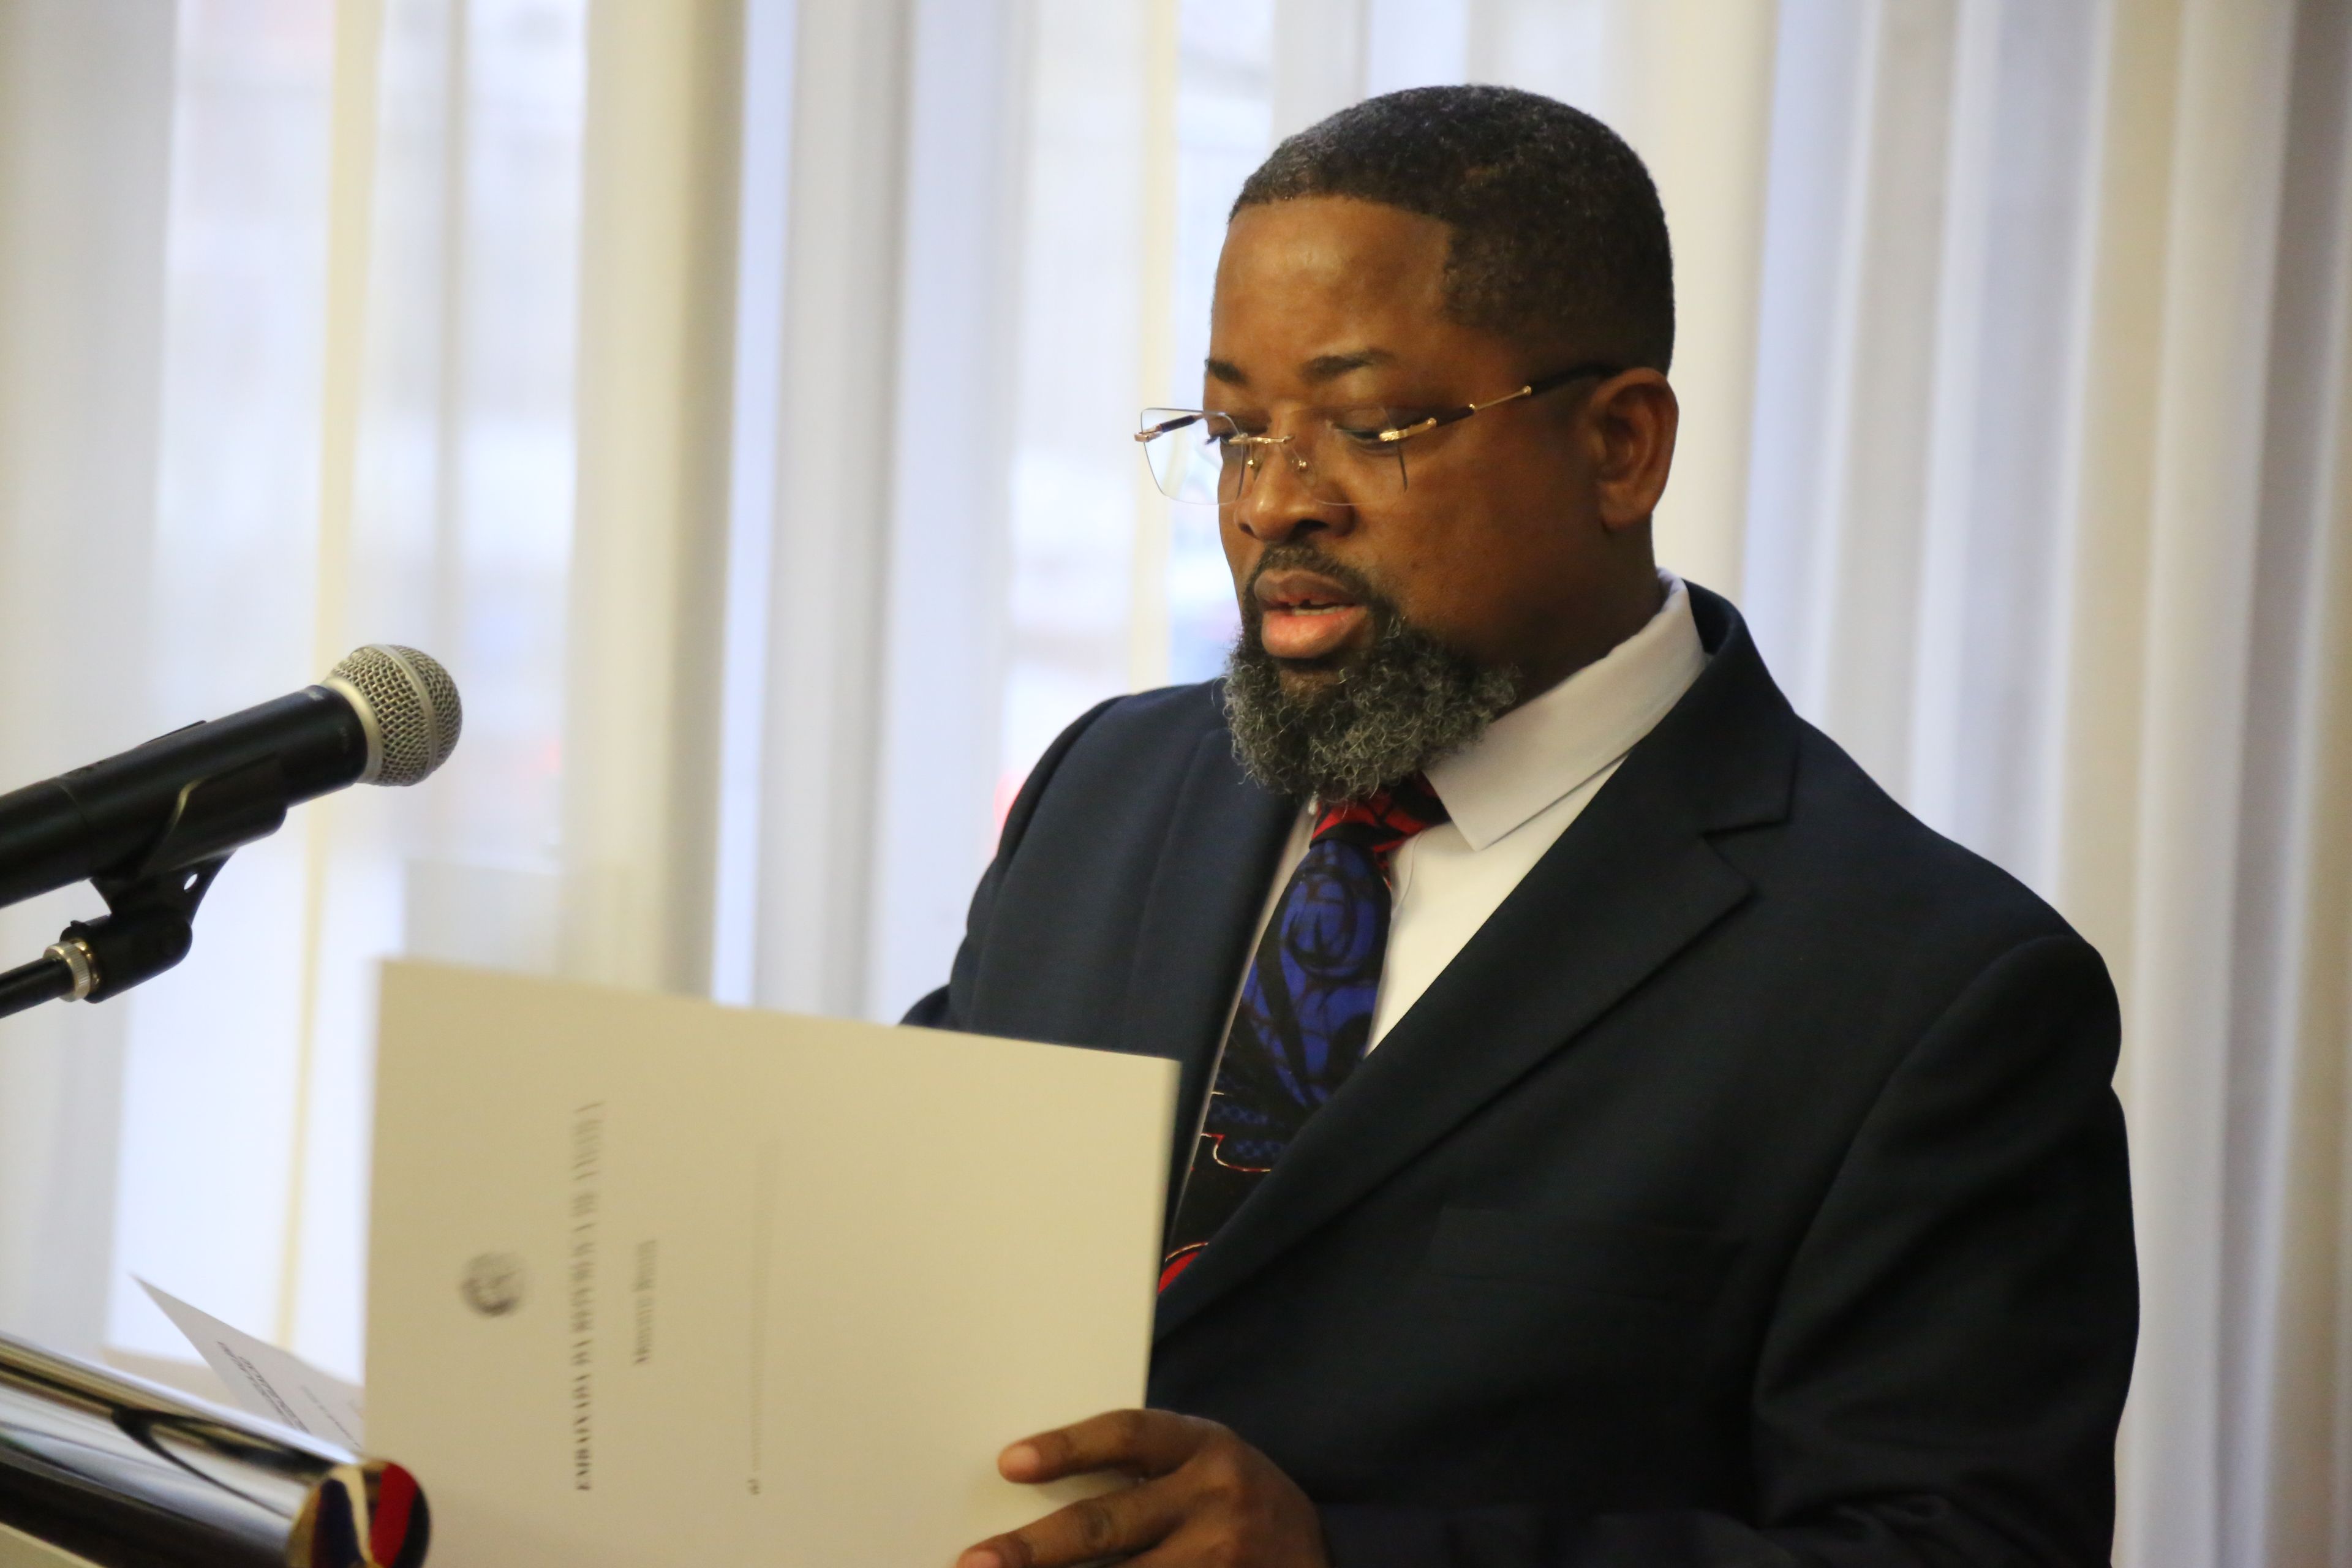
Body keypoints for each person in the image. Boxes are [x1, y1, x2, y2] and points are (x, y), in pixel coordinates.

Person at [911, 85, 2136, 1567]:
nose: (1273, 503)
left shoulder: (1935, 991)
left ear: (1620, 446)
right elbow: (914, 1232)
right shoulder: (1106, 787)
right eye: (1233, 431)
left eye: (1369, 425)